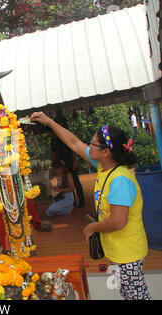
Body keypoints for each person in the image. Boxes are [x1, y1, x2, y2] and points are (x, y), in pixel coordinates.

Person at [30, 111, 151, 300]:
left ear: (105, 152)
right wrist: (49, 121)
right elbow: (74, 143)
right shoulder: (104, 165)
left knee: (136, 296)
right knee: (129, 293)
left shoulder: (120, 180)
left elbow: (119, 221)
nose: (89, 145)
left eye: (93, 143)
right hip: (119, 249)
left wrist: (92, 227)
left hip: (128, 253)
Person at [47, 128, 85, 207]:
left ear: (52, 131)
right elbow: (53, 153)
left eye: (49, 133)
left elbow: (72, 150)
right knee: (65, 182)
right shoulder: (53, 141)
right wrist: (53, 164)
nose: (48, 135)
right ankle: (72, 202)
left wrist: (74, 161)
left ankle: (82, 202)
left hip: (69, 163)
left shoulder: (63, 137)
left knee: (75, 181)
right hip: (60, 165)